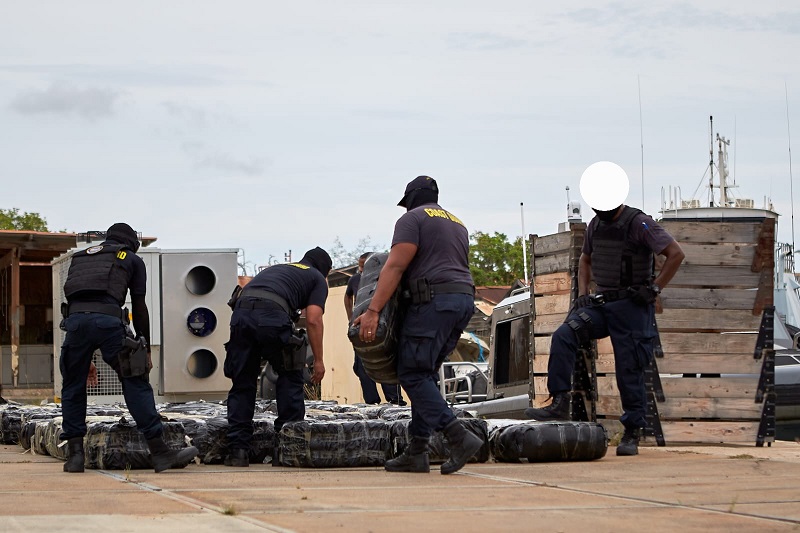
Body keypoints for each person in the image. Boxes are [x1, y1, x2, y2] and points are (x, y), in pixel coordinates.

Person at [525, 163, 685, 456]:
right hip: (603, 304)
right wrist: (583, 294)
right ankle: (559, 402)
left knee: (629, 369)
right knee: (564, 335)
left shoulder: (640, 223)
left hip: (633, 308)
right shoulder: (595, 225)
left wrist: (655, 287)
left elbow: (675, 254)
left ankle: (632, 432)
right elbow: (585, 260)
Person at [354, 176, 481, 475]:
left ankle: (457, 436)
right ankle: (418, 450)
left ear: (410, 199)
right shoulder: (456, 222)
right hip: (462, 301)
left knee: (411, 373)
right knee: (424, 375)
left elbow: (395, 265)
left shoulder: (412, 219)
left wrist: (373, 310)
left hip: (433, 302)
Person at [59, 222, 199, 473]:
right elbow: (139, 305)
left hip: (75, 325)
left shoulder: (80, 257)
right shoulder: (132, 259)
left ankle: (75, 456)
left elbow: (78, 301)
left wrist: (86, 353)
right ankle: (160, 452)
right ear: (131, 243)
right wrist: (143, 345)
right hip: (110, 323)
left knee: (72, 385)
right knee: (134, 380)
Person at [223, 247, 331, 467]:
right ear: (325, 271)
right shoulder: (317, 278)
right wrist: (318, 360)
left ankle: (238, 451)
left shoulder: (280, 269)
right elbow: (313, 319)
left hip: (241, 315)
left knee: (243, 382)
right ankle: (287, 448)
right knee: (290, 374)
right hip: (272, 316)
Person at [345, 252, 405, 405]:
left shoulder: (384, 277)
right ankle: (371, 402)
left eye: (363, 266)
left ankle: (395, 400)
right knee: (361, 367)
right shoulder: (355, 280)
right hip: (360, 327)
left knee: (385, 363)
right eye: (359, 265)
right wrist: (350, 318)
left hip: (380, 326)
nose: (360, 269)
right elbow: (347, 297)